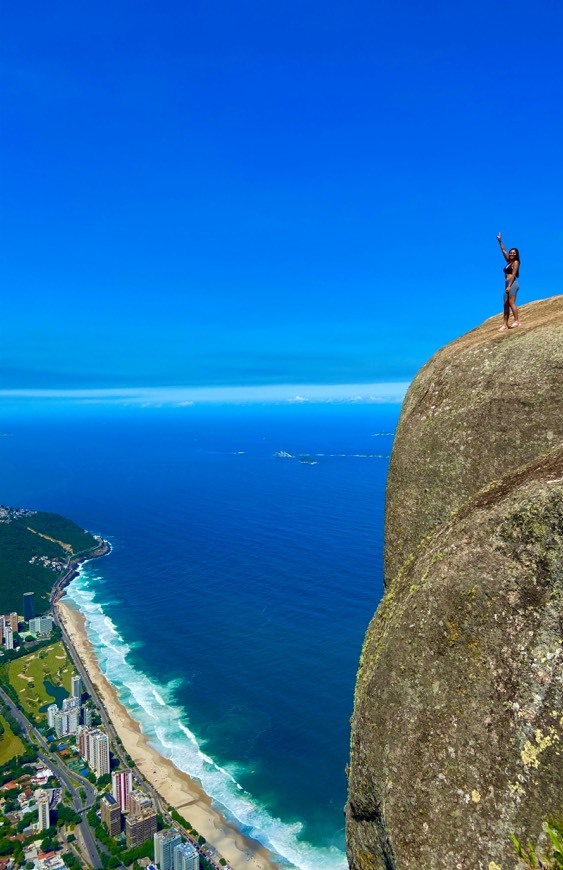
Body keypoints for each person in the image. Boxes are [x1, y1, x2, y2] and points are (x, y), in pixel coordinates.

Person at [497, 233, 521, 330]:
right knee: (505, 304)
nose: (511, 253)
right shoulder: (508, 262)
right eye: (511, 252)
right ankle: (505, 324)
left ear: (516, 255)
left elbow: (514, 274)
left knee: (511, 302)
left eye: (513, 253)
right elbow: (503, 250)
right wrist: (499, 240)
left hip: (512, 283)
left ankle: (517, 321)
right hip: (506, 284)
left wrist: (509, 286)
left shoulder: (516, 262)